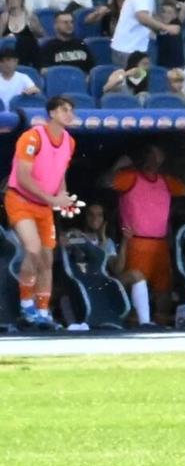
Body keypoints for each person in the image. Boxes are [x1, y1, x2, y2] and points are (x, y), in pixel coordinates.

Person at [6, 93, 82, 328]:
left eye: (70, 109)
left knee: (46, 260)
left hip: (44, 205)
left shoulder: (69, 141)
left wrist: (64, 198)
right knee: (33, 249)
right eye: (64, 109)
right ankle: (27, 305)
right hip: (20, 199)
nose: (69, 114)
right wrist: (51, 198)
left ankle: (41, 312)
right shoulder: (32, 137)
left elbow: (60, 175)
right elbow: (23, 177)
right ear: (51, 113)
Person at [104, 142, 185, 327]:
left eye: (158, 156)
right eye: (151, 155)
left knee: (164, 289)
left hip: (160, 243)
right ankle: (138, 325)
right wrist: (118, 166)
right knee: (138, 284)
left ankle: (161, 325)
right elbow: (105, 182)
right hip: (136, 242)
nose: (155, 159)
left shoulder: (166, 181)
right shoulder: (130, 177)